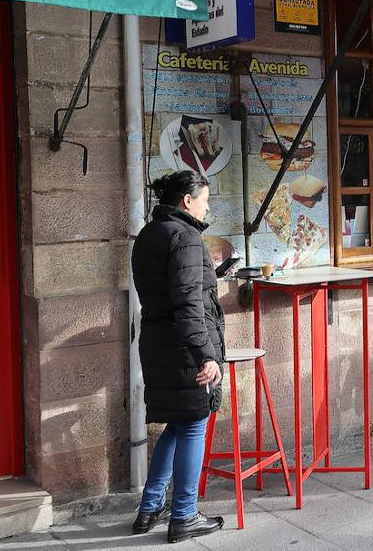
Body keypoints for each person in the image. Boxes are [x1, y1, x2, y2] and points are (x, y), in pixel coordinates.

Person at [131, 170, 226, 543]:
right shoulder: (186, 236)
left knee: (177, 422)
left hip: (157, 341)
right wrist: (206, 354)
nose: (207, 206)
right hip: (183, 345)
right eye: (205, 199)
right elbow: (188, 302)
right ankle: (184, 514)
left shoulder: (149, 233)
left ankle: (150, 506)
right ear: (187, 200)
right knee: (193, 424)